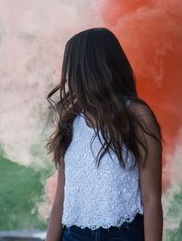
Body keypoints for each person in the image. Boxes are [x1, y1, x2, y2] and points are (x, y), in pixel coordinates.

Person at [45, 27, 164, 241]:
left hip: (125, 235)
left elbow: (152, 198)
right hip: (74, 235)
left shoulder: (137, 116)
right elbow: (61, 197)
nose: (69, 76)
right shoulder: (70, 121)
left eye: (72, 67)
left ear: (88, 69)